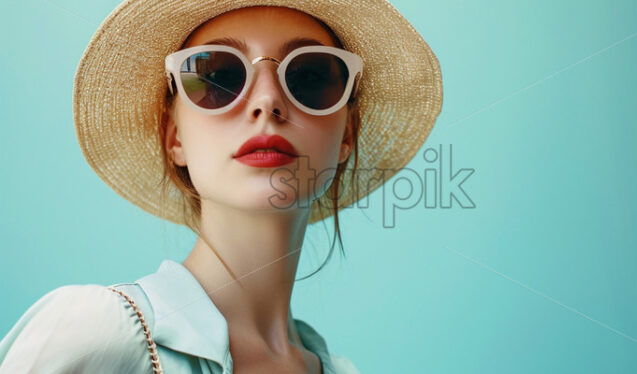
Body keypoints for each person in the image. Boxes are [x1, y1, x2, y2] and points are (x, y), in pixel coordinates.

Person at [0, 0, 442, 373]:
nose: (267, 102)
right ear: (174, 138)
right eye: (217, 76)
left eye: (308, 76)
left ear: (347, 135)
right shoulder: (95, 333)